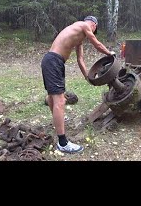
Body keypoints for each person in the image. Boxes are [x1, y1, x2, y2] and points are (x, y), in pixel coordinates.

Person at [41, 15, 114, 154]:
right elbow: (97, 44)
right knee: (60, 100)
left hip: (53, 61)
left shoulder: (78, 36)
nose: (92, 32)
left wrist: (87, 77)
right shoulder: (84, 25)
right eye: (94, 30)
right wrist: (109, 53)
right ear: (94, 25)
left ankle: (58, 123)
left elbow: (80, 59)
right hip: (53, 61)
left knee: (53, 98)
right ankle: (63, 143)